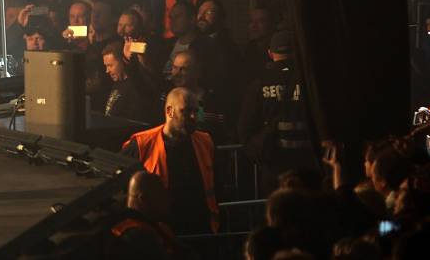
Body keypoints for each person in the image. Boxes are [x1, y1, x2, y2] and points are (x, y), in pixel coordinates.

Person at [121, 87, 221, 235]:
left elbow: (217, 182)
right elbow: (121, 187)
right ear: (169, 111)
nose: (193, 116)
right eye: (186, 111)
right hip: (160, 230)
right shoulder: (142, 144)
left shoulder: (205, 141)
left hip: (200, 227)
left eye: (196, 111)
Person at [238, 29, 316, 195]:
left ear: (270, 53)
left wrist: (260, 154)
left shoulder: (258, 84)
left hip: (273, 166)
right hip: (309, 164)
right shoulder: (311, 82)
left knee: (278, 212)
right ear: (297, 51)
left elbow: (245, 129)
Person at [109, 171, 184, 259]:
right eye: (162, 195)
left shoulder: (154, 226)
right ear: (143, 198)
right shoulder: (136, 235)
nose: (169, 200)